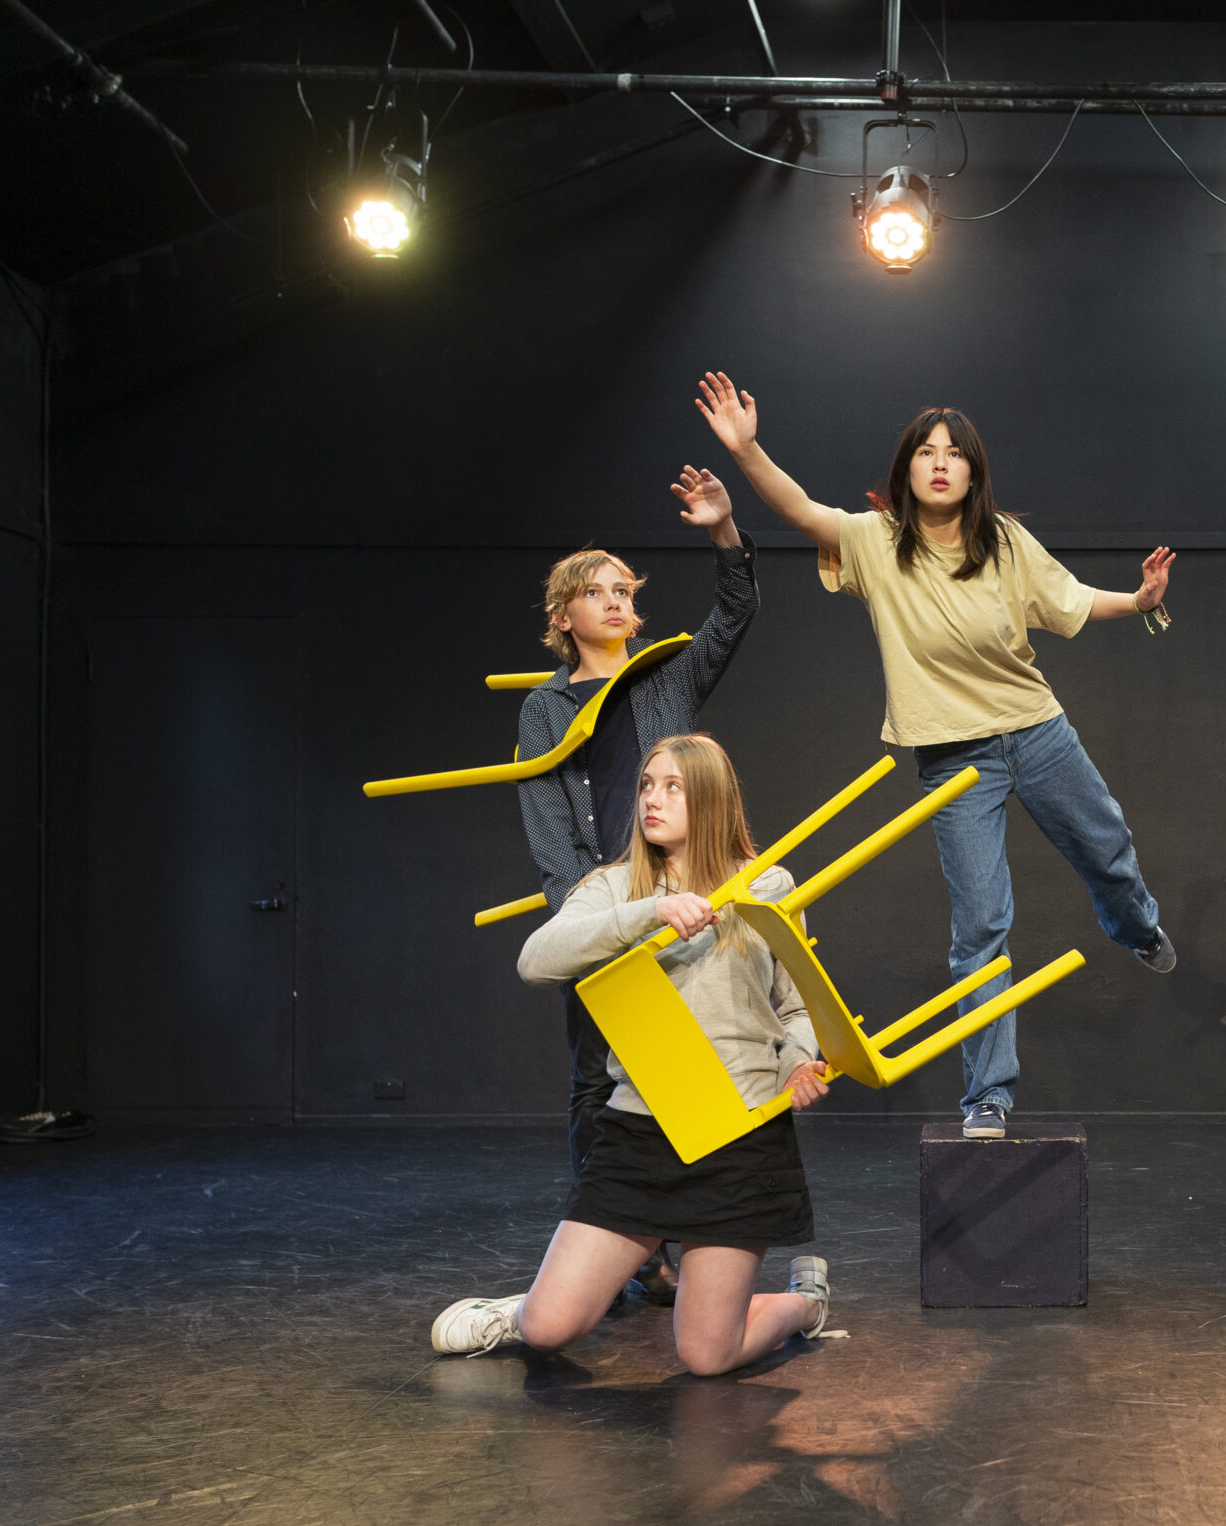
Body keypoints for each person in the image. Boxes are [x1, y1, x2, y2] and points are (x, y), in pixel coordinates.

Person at [694, 371, 1175, 1138]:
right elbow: (799, 508)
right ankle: (989, 1094)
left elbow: (1074, 600)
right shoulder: (876, 543)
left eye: (955, 453)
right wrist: (749, 451)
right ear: (907, 470)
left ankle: (1137, 926)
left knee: (1109, 849)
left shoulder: (1006, 543)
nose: (941, 462)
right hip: (956, 760)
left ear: (975, 473)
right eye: (926, 451)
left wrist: (1141, 602)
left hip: (1037, 731)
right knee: (980, 928)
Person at [434, 735, 840, 1370]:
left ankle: (804, 1304)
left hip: (743, 1131)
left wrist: (796, 1060)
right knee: (548, 1328)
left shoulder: (770, 882)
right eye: (648, 784)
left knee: (708, 1355)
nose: (651, 799)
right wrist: (650, 911)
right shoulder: (615, 885)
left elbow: (795, 1008)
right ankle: (518, 1311)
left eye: (672, 786)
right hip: (644, 1129)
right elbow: (536, 960)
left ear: (710, 797)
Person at [517, 467, 758, 1301]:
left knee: (690, 1065)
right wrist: (588, 925)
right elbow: (550, 827)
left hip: (687, 898)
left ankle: (697, 1242)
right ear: (564, 617)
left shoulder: (668, 678)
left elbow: (735, 614)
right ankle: (630, 1252)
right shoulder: (544, 712)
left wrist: (723, 528)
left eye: (625, 590)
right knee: (597, 1081)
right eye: (598, 591)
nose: (617, 602)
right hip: (607, 911)